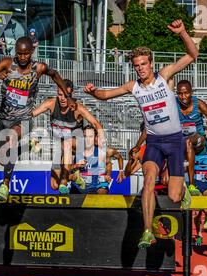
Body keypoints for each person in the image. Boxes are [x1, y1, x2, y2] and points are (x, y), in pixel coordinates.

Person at [84, 19, 199, 249]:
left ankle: (183, 189)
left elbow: (192, 54)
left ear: (151, 63)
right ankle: (147, 232)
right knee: (147, 181)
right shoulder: (133, 87)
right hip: (155, 141)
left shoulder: (164, 76)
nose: (140, 68)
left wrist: (183, 33)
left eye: (144, 64)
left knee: (175, 196)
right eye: (137, 65)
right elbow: (106, 95)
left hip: (175, 140)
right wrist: (94, 92)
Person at [0, 36, 76, 201]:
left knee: (12, 139)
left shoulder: (39, 68)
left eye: (26, 54)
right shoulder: (7, 64)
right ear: (15, 51)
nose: (23, 57)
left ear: (32, 52)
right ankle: (28, 146)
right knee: (3, 159)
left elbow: (55, 74)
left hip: (24, 117)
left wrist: (68, 96)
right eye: (20, 53)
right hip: (4, 117)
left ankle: (5, 185)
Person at [32, 79, 103, 193]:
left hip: (77, 145)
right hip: (60, 147)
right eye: (60, 95)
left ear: (71, 94)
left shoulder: (77, 107)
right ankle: (73, 177)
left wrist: (100, 139)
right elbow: (30, 115)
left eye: (66, 95)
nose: (63, 99)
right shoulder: (51, 103)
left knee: (67, 143)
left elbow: (96, 124)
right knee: (54, 185)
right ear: (57, 93)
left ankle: (65, 181)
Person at [176, 80, 207, 196]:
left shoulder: (199, 105)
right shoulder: (173, 104)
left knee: (188, 141)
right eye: (180, 94)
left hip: (199, 141)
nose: (183, 97)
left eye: (186, 93)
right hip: (181, 142)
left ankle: (191, 185)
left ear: (191, 92)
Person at [69, 124, 125, 194]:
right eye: (85, 137)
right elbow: (67, 170)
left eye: (90, 137)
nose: (88, 140)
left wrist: (120, 171)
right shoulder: (75, 151)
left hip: (98, 185)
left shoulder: (104, 152)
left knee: (102, 191)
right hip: (80, 186)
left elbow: (119, 156)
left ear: (95, 137)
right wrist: (76, 166)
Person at [192, 126, 207, 246]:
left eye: (206, 134)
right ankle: (199, 235)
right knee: (196, 214)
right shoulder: (193, 149)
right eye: (202, 135)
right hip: (197, 184)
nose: (204, 137)